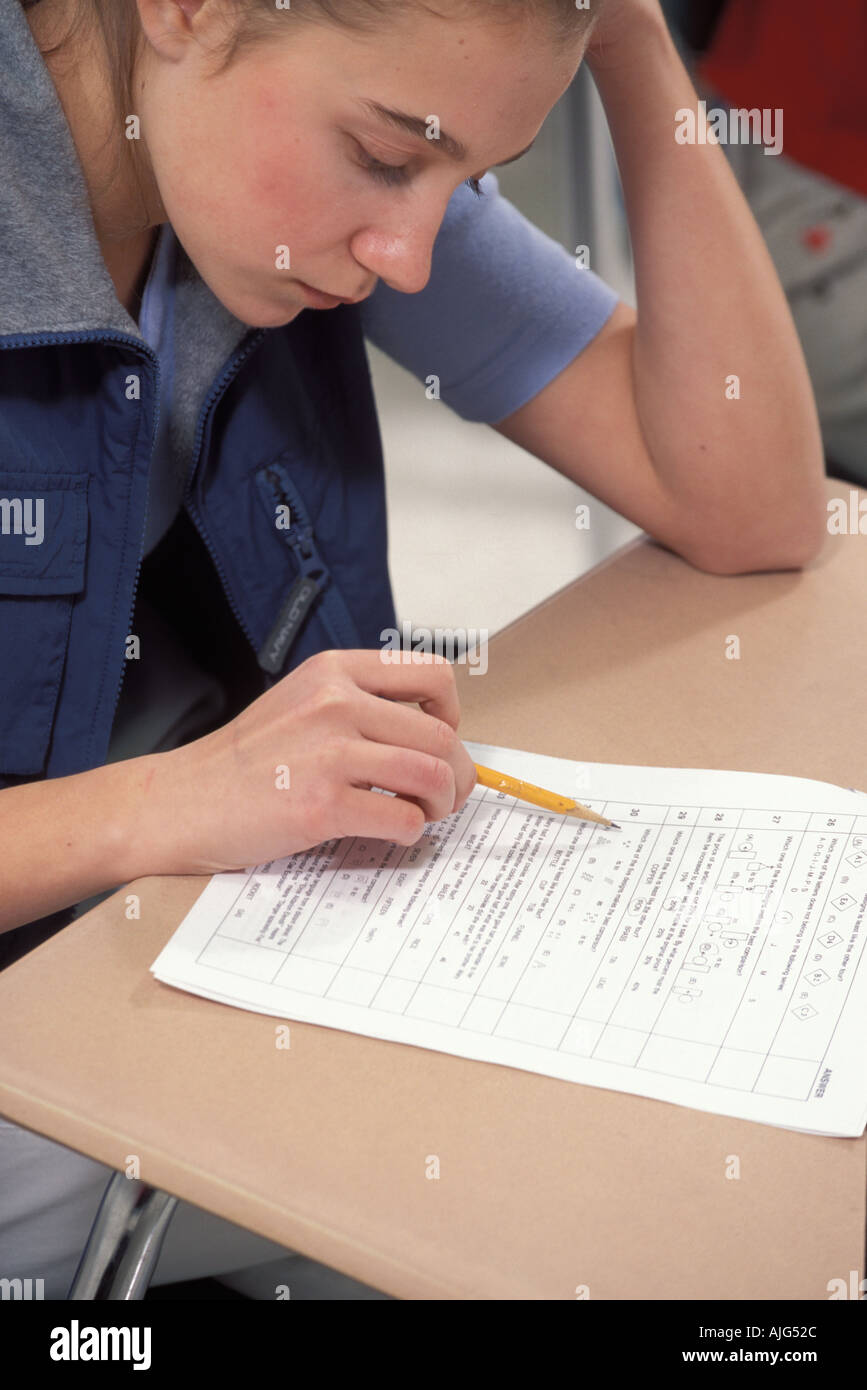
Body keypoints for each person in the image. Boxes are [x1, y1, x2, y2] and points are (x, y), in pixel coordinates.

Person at [0, 0, 828, 1298]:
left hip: (196, 969)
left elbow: (750, 504)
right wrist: (167, 803)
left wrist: (626, 38)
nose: (411, 254)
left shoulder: (287, 155)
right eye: (391, 156)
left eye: (470, 175)